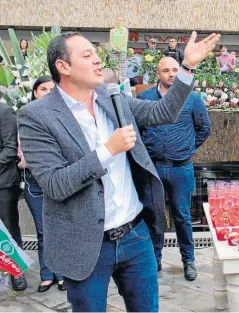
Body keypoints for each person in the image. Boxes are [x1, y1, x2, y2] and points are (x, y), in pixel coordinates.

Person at [17, 31, 219, 312]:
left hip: (135, 236)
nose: (98, 60)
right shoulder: (36, 116)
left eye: (96, 53)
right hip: (85, 244)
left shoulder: (111, 97)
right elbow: (55, 184)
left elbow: (162, 113)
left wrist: (187, 68)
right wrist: (108, 150)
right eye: (87, 55)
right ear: (63, 66)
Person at [138, 57, 211, 280]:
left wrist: (187, 148)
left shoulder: (192, 98)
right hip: (153, 169)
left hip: (181, 168)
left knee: (183, 216)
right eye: (166, 71)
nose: (171, 74)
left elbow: (204, 128)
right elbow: (138, 128)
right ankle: (155, 259)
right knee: (153, 216)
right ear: (157, 74)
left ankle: (188, 260)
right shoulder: (145, 97)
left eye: (175, 70)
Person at [17, 75, 65, 293]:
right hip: (35, 183)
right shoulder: (25, 118)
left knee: (62, 230)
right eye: (42, 89)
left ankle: (63, 274)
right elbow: (21, 155)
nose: (47, 92)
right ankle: (47, 274)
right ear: (35, 92)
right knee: (43, 231)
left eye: (51, 89)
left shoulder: (63, 116)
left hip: (61, 181)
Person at [0, 92, 25, 292]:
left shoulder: (5, 111)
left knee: (8, 228)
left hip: (4, 182)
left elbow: (10, 149)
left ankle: (16, 271)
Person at [109, 16, 129, 83]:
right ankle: (115, 81)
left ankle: (122, 82)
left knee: (122, 67)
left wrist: (118, 48)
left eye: (120, 20)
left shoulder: (125, 30)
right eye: (117, 20)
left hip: (122, 50)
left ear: (122, 22)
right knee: (114, 66)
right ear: (115, 21)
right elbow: (110, 41)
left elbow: (125, 40)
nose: (119, 21)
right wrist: (114, 48)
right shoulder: (112, 30)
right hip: (113, 50)